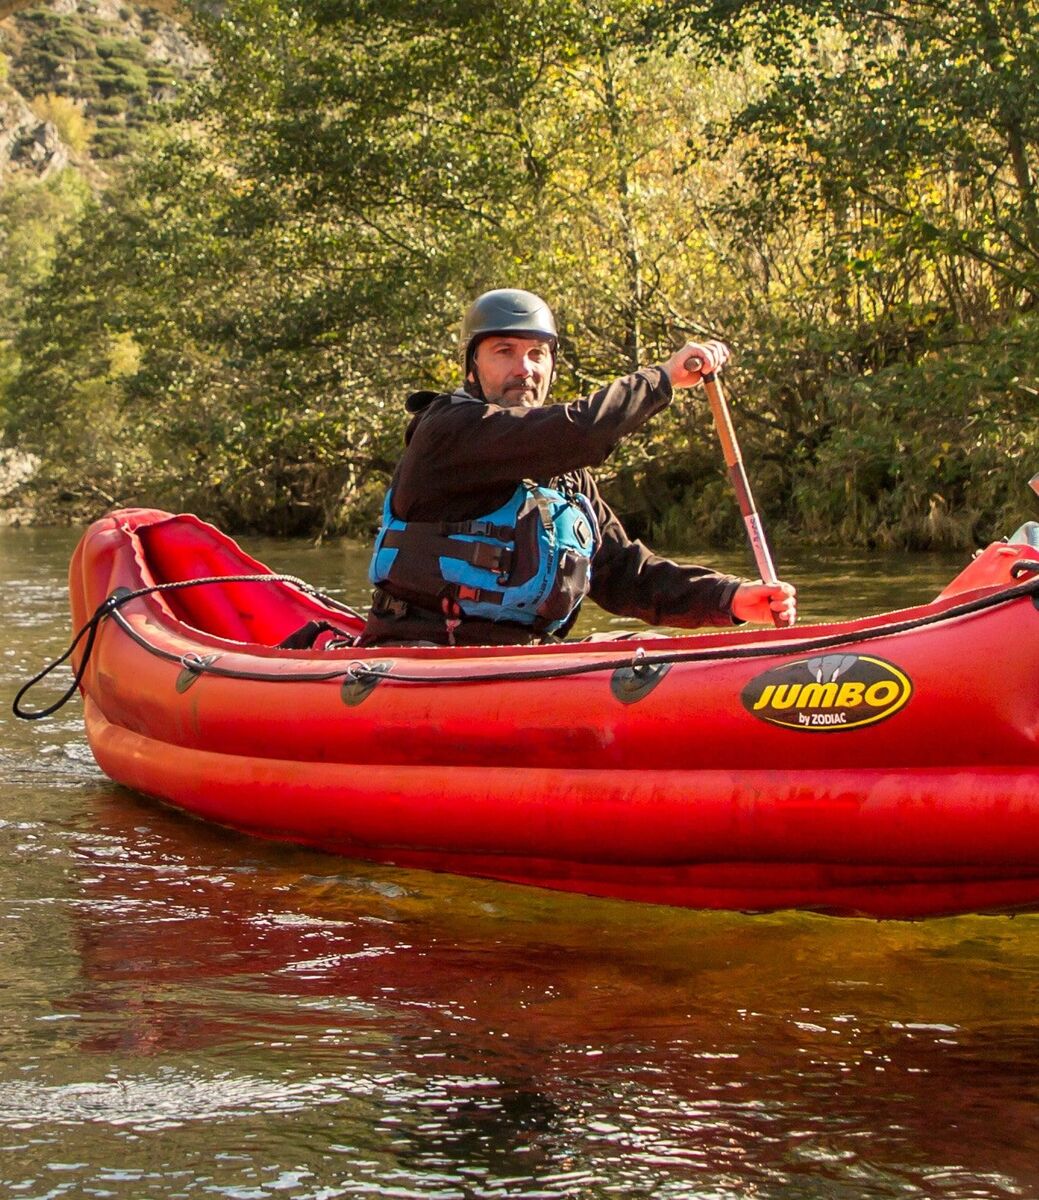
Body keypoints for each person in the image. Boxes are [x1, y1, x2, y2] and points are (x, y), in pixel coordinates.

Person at [360, 288, 796, 647]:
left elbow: (624, 573)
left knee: (643, 643)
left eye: (537, 354)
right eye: (504, 352)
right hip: (423, 649)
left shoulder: (563, 476)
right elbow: (582, 431)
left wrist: (729, 598)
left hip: (525, 654)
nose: (524, 369)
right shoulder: (448, 432)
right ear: (472, 367)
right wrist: (662, 378)